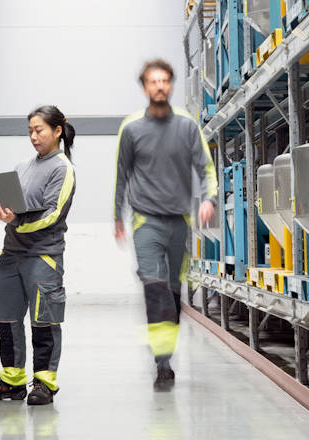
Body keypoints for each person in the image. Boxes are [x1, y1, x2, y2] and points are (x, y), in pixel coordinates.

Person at [114, 59, 217, 390]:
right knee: (154, 287)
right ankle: (163, 363)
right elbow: (122, 175)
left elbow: (206, 168)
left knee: (173, 294)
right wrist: (118, 215)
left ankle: (165, 347)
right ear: (145, 87)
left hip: (179, 223)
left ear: (171, 85)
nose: (159, 86)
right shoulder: (131, 129)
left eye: (164, 81)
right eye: (153, 81)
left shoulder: (188, 127)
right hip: (146, 221)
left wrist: (208, 199)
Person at [0, 105, 76, 405]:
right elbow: (14, 205)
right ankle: (12, 381)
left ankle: (44, 383)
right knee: (6, 321)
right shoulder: (22, 166)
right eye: (30, 130)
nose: (33, 136)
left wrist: (15, 221)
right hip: (11, 255)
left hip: (43, 256)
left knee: (43, 321)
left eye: (39, 130)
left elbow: (52, 214)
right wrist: (0, 209)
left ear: (57, 131)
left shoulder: (63, 169)